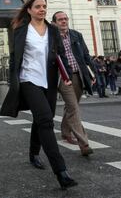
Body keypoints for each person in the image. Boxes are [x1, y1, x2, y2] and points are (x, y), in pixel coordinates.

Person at [0, 0, 77, 190]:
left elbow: (61, 54)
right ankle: (61, 172)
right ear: (29, 10)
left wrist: (66, 73)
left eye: (44, 6)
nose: (42, 9)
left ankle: (34, 152)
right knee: (46, 120)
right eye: (38, 6)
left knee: (42, 118)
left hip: (49, 81)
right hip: (29, 79)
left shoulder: (53, 30)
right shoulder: (20, 30)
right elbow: (14, 56)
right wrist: (13, 80)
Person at [51, 11, 95, 156]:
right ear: (54, 22)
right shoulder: (51, 37)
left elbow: (86, 55)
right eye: (60, 20)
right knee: (73, 107)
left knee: (72, 106)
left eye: (65, 19)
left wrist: (92, 73)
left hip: (79, 75)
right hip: (63, 77)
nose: (63, 21)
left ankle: (65, 132)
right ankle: (84, 143)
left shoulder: (76, 35)